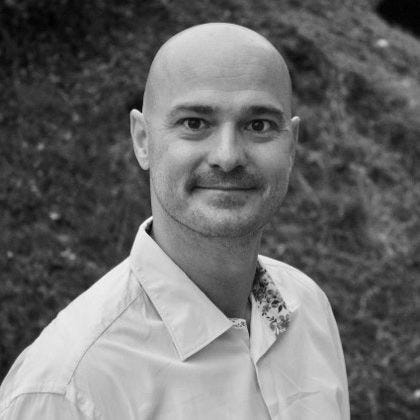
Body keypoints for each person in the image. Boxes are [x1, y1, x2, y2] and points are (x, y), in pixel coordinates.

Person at [0, 23, 350, 419]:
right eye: (195, 123)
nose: (228, 156)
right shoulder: (68, 390)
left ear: (292, 145)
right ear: (143, 140)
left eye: (258, 125)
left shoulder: (308, 308)